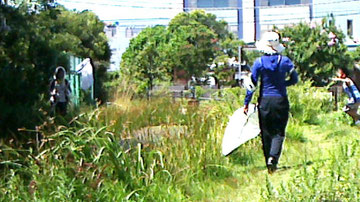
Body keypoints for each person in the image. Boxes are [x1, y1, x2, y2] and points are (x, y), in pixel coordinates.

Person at [243, 31, 298, 174]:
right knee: (279, 132)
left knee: (266, 132)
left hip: (265, 101)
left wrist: (246, 103)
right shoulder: (285, 61)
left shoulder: (259, 63)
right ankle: (273, 158)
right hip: (280, 100)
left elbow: (252, 85)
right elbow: (294, 79)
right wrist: (282, 84)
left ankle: (268, 160)